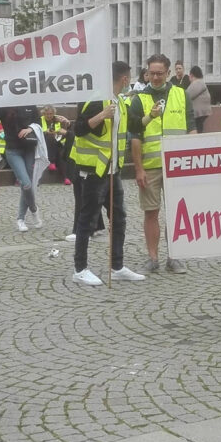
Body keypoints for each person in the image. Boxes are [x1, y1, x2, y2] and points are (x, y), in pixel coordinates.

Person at [69, 61, 145, 286]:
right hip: (93, 170)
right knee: (87, 221)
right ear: (124, 79)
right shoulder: (95, 98)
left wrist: (151, 116)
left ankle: (117, 266)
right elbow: (79, 128)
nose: (129, 81)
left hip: (112, 170)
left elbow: (134, 124)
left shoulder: (120, 101)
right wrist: (102, 115)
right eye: (128, 78)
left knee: (119, 218)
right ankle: (80, 268)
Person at [129, 54, 196, 274]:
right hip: (151, 166)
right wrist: (138, 168)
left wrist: (192, 159)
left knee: (177, 214)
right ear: (146, 73)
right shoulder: (138, 99)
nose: (156, 77)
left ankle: (174, 257)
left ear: (168, 73)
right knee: (151, 212)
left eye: (160, 73)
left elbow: (191, 127)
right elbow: (135, 137)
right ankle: (153, 258)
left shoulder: (182, 95)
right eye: (152, 73)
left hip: (178, 165)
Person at [0, 105, 44, 232]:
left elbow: (39, 122)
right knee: (26, 184)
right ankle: (34, 210)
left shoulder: (30, 104)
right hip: (13, 150)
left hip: (29, 148)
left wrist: (30, 128)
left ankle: (21, 219)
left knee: (27, 185)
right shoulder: (4, 106)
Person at [40, 105, 72, 185]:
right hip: (44, 144)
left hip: (57, 142)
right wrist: (46, 132)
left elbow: (65, 132)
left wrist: (65, 125)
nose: (49, 115)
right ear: (43, 114)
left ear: (54, 113)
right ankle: (52, 162)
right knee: (50, 137)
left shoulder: (58, 120)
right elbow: (38, 133)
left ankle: (66, 178)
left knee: (61, 154)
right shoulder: (40, 120)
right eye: (47, 114)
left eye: (51, 114)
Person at [186, 66, 211, 133]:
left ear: (191, 75)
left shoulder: (197, 83)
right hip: (203, 112)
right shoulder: (201, 82)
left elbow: (187, 95)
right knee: (200, 127)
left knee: (197, 128)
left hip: (198, 112)